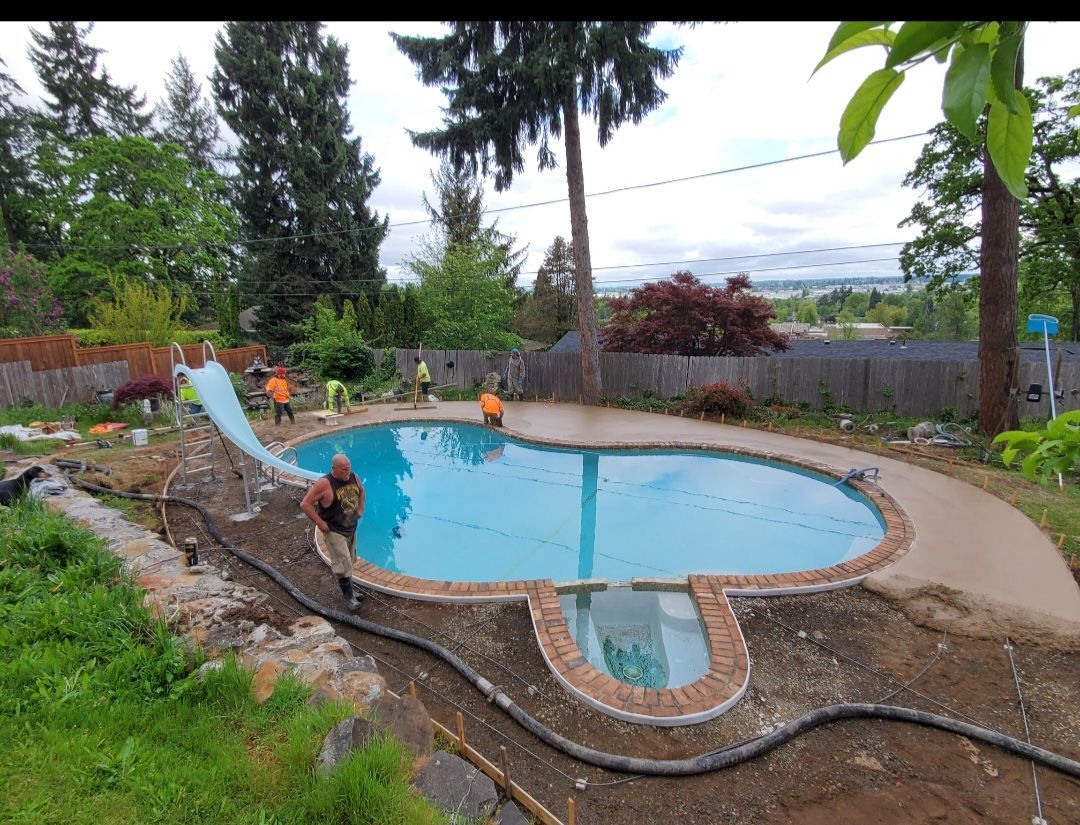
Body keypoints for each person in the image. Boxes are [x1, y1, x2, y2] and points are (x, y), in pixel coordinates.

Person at [300, 453, 365, 610]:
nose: (347, 472)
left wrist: (361, 509)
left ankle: (351, 591)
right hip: (334, 530)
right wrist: (319, 522)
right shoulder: (324, 484)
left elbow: (362, 491)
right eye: (343, 470)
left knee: (349, 559)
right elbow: (305, 504)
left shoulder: (354, 477)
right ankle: (349, 598)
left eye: (348, 468)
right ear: (334, 469)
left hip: (350, 527)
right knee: (343, 563)